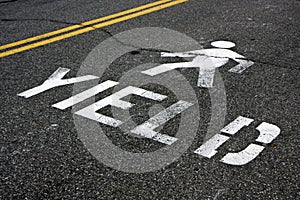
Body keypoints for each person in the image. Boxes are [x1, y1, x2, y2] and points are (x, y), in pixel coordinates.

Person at [142, 41, 254, 88]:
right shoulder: (230, 52)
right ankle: (203, 87)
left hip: (202, 61)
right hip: (209, 62)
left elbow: (192, 52)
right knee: (201, 69)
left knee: (178, 64)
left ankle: (151, 72)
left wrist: (170, 55)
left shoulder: (216, 51)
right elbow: (245, 61)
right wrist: (236, 69)